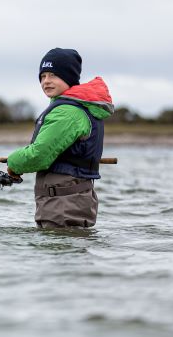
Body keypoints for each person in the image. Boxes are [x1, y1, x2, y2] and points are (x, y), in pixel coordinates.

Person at [6, 48, 114, 228]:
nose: (46, 81)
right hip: (69, 202)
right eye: (43, 76)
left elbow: (39, 154)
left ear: (69, 78)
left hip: (63, 205)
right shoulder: (76, 107)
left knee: (57, 254)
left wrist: (13, 163)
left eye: (53, 75)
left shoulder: (68, 112)